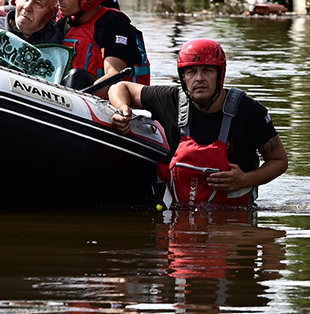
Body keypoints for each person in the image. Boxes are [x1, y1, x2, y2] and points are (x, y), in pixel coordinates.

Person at [108, 38, 288, 209]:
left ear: (220, 75)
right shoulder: (170, 100)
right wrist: (123, 109)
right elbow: (120, 87)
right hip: (178, 218)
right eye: (191, 71)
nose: (199, 78)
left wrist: (245, 179)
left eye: (207, 71)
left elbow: (279, 161)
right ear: (183, 77)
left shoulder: (249, 111)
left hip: (233, 222)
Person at [54, 0, 150, 91]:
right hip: (66, 95)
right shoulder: (64, 23)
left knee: (76, 77)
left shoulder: (116, 28)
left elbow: (114, 78)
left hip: (101, 103)